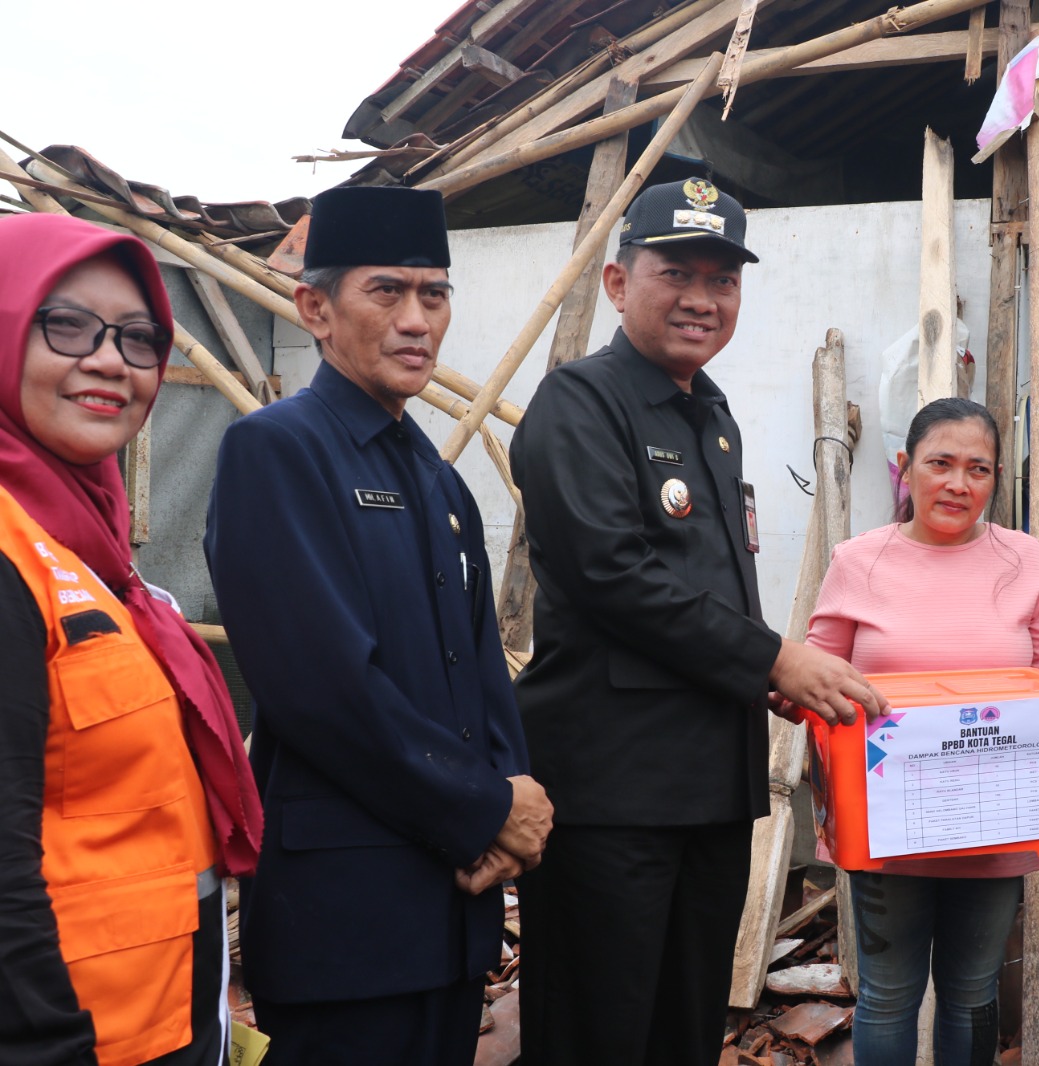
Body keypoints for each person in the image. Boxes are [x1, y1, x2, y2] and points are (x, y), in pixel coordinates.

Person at [509, 178, 886, 1066]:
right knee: (598, 1030)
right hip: (613, 792)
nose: (702, 300)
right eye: (676, 272)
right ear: (615, 282)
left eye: (723, 280)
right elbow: (615, 576)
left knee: (683, 1026)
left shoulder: (710, 415)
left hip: (709, 787)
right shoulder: (580, 404)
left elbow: (709, 588)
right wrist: (773, 658)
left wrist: (761, 676)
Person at [204, 187, 547, 1066]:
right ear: (315, 308)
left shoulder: (435, 477)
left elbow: (478, 669)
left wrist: (513, 795)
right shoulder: (278, 451)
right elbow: (324, 689)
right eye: (386, 292)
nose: (416, 319)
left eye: (435, 295)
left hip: (455, 898)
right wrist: (482, 811)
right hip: (349, 911)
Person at [0, 212, 262, 1065]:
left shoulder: (92, 556)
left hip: (158, 1018)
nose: (110, 360)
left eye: (140, 337)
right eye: (66, 323)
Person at [803, 397, 1039, 1065]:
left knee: (970, 988)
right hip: (887, 822)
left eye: (978, 469)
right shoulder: (857, 560)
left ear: (995, 478)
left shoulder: (1023, 558)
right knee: (891, 993)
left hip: (994, 819)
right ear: (906, 469)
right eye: (941, 464)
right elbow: (812, 674)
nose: (959, 484)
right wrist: (830, 708)